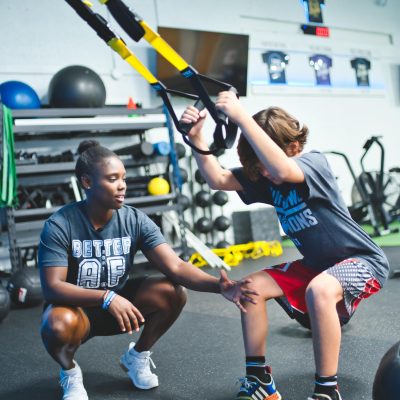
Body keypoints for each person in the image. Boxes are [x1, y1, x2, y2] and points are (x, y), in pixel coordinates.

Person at [180, 91, 389, 400]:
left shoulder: (312, 163)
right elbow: (218, 179)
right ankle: (259, 380)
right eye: (256, 165)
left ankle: (327, 391)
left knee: (319, 290)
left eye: (263, 162)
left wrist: (240, 117)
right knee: (249, 286)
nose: (262, 172)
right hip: (318, 266)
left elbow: (279, 168)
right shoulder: (268, 178)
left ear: (293, 147)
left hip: (362, 260)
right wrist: (196, 137)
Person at [38, 139, 258, 400]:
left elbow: (175, 266)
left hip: (121, 308)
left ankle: (137, 357)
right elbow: (53, 287)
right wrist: (105, 297)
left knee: (172, 291)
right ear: (87, 183)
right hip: (78, 312)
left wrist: (219, 286)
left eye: (123, 178)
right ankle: (70, 373)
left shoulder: (134, 220)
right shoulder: (60, 225)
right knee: (56, 324)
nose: (122, 186)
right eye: (112, 179)